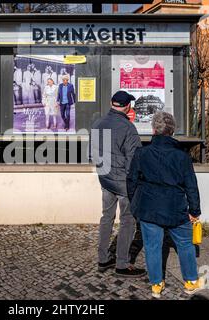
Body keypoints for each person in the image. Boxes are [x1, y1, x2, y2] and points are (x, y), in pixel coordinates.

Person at [127, 111, 205, 298]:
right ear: (172, 131)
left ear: (154, 130)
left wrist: (135, 204)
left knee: (152, 246)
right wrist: (194, 210)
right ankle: (191, 282)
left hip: (149, 207)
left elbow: (131, 181)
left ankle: (156, 285)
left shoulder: (142, 153)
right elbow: (191, 185)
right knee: (185, 244)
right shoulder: (182, 156)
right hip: (175, 207)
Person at [90, 90, 146, 278]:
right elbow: (135, 160)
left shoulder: (98, 123)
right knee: (128, 220)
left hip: (105, 178)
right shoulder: (128, 128)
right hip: (123, 182)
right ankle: (122, 264)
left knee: (107, 216)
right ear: (127, 106)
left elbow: (93, 154)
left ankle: (103, 258)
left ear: (112, 103)